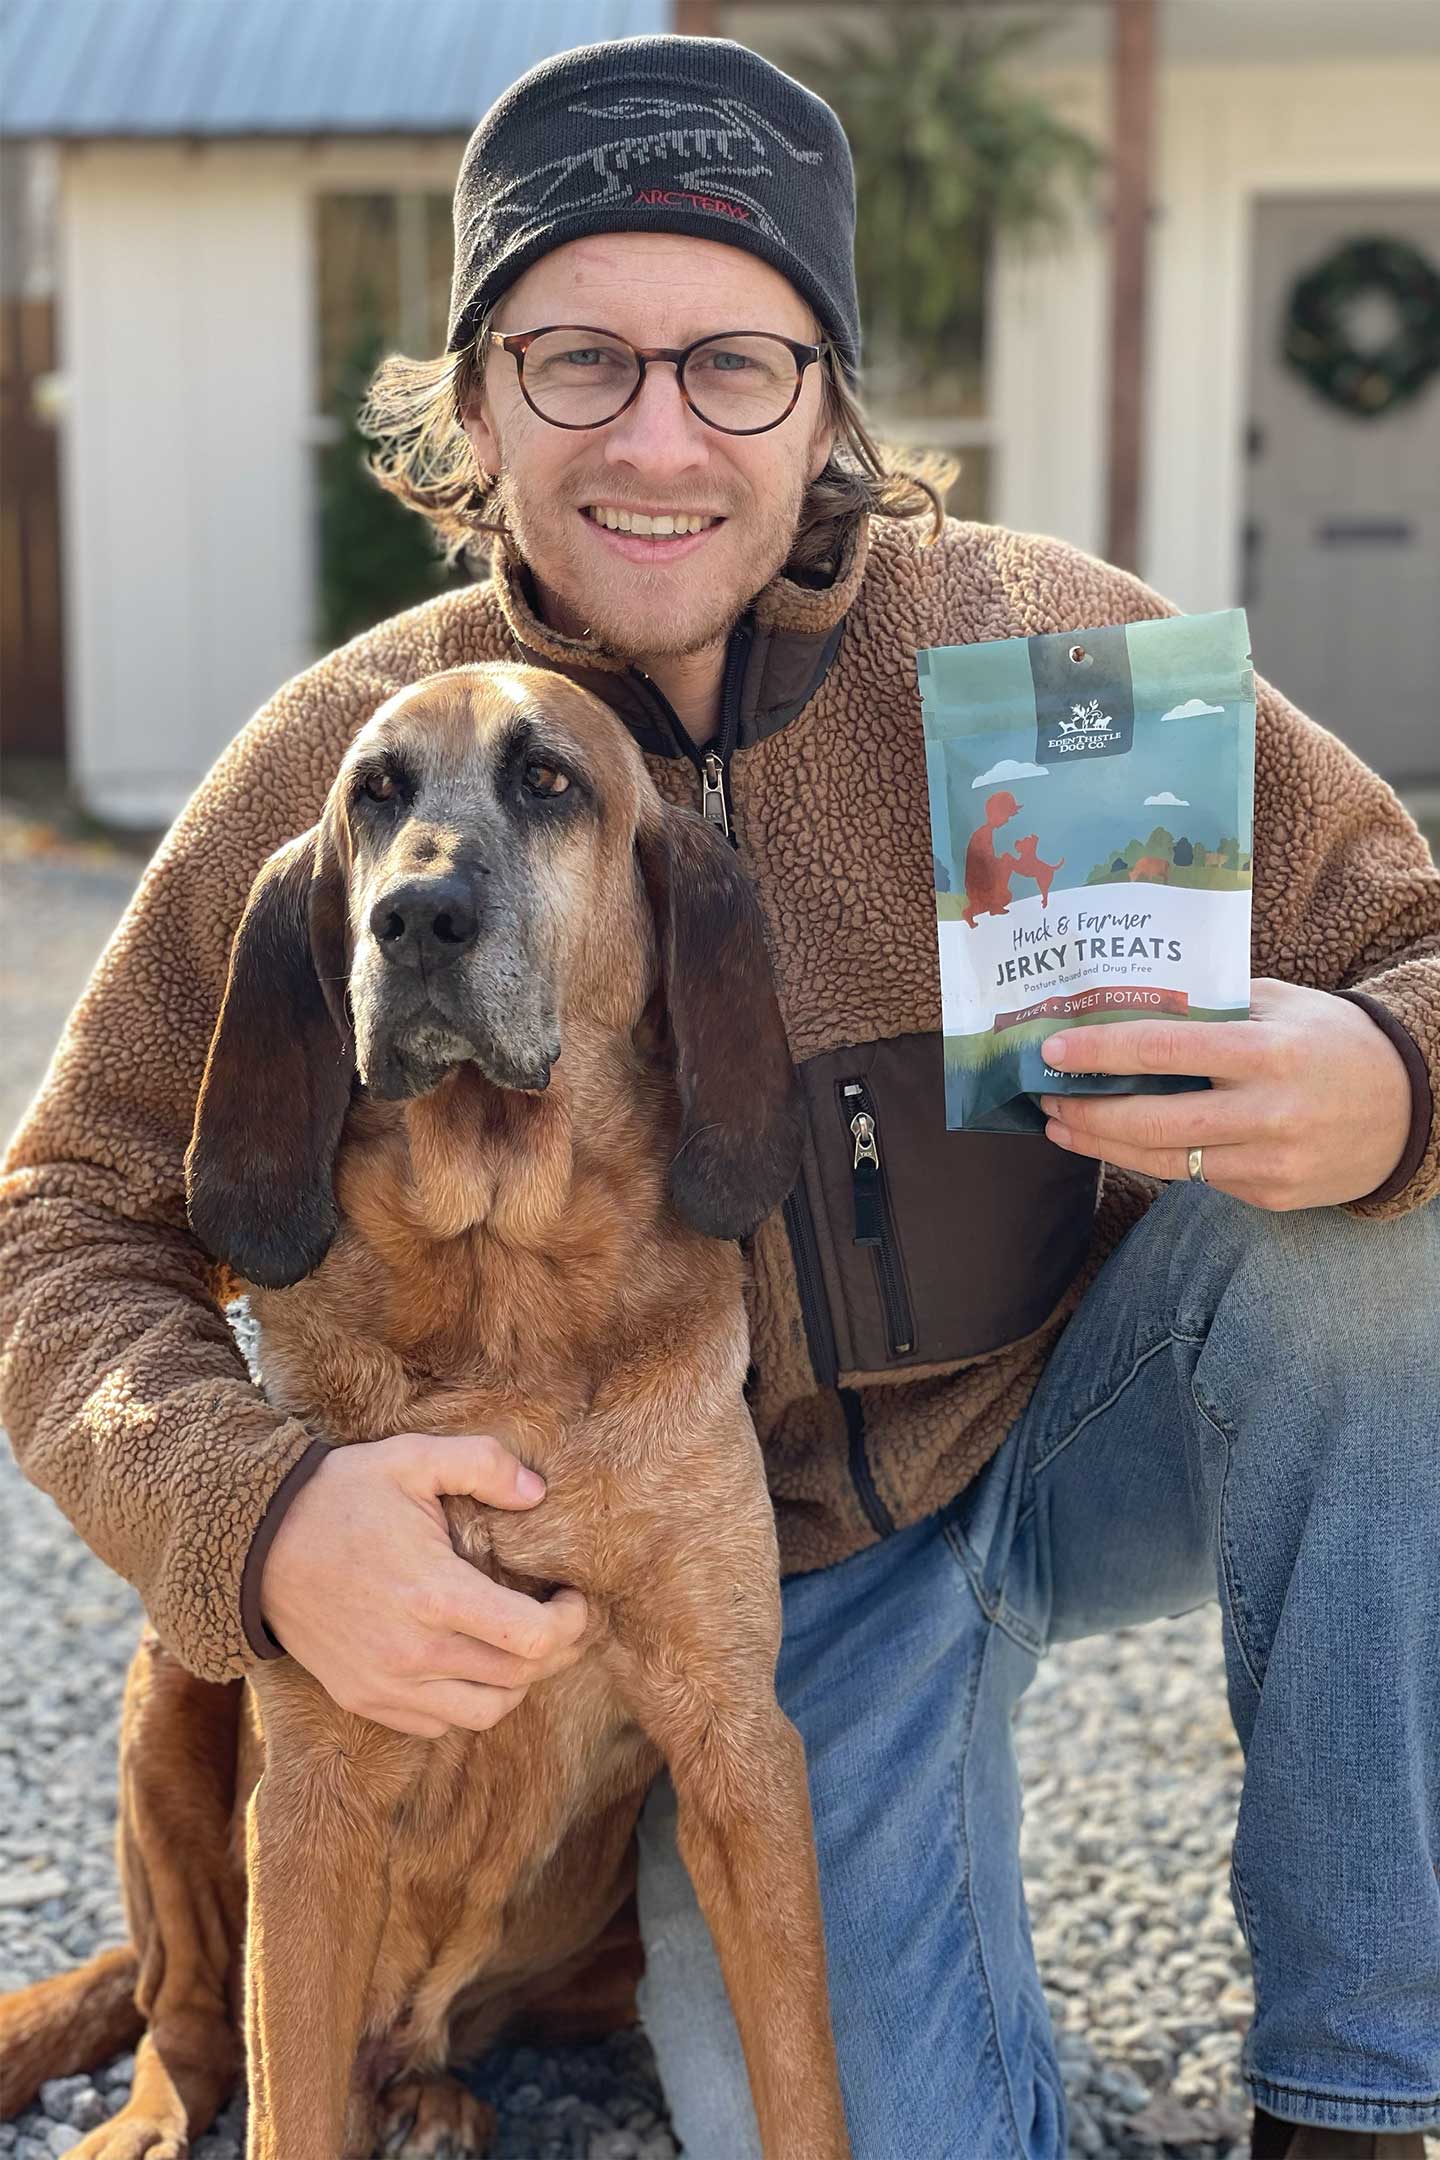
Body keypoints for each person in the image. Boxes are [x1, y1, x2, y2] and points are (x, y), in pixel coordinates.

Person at [1, 34, 1437, 2160]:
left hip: (1059, 1434)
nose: (657, 437)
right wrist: (259, 1511)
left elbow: (1416, 935)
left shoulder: (1045, 662)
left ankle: (1359, 2098)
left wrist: (1395, 1074)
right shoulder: (354, 764)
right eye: (579, 360)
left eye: (735, 366)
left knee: (1389, 1247)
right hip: (772, 1603)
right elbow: (61, 1220)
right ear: (474, 410)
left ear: (829, 403)